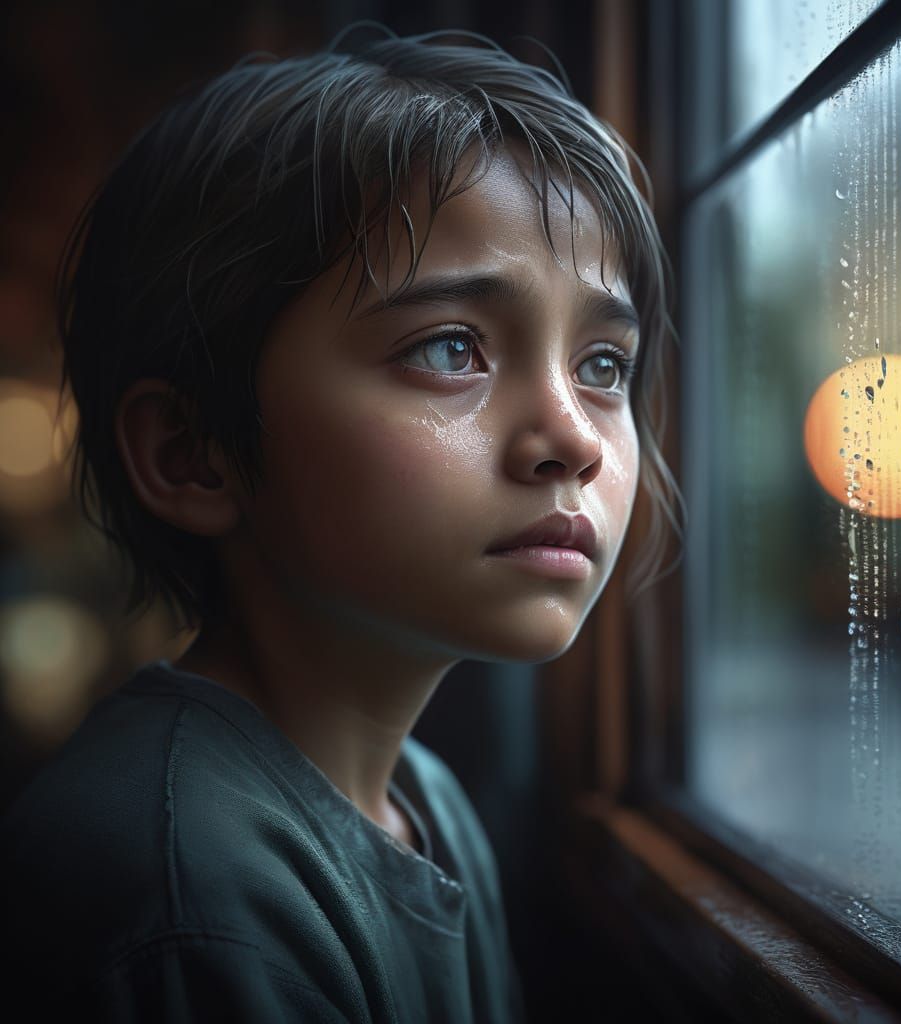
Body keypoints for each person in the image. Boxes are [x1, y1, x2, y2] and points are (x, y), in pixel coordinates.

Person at [0, 21, 680, 1024]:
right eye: (451, 349)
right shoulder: (183, 883)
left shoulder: (428, 803)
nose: (572, 438)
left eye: (602, 366)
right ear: (194, 452)